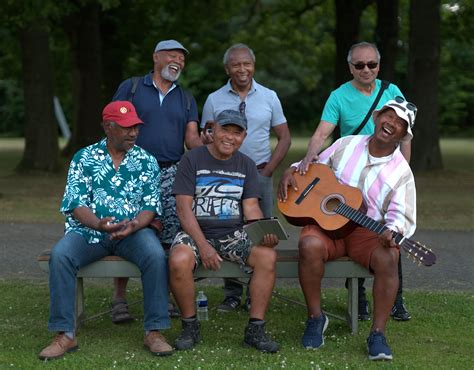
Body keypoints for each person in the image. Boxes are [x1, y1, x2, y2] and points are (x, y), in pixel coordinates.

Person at [278, 98, 417, 361]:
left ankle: (377, 333)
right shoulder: (346, 144)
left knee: (390, 257)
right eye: (389, 116)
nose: (391, 124)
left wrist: (393, 230)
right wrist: (293, 169)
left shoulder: (401, 171)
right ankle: (316, 318)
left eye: (399, 123)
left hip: (366, 231)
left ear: (402, 135)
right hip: (326, 226)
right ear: (377, 118)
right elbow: (315, 167)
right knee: (308, 244)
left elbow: (401, 214)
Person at [38, 101, 172, 361]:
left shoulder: (146, 160)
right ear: (108, 127)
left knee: (155, 256)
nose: (133, 132)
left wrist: (136, 224)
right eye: (125, 127)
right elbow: (75, 203)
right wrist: (98, 224)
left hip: (133, 231)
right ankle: (65, 334)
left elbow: (150, 206)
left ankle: (154, 331)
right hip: (90, 232)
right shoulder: (84, 158)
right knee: (61, 256)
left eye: (135, 127)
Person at [298, 41, 411, 321]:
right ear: (350, 67)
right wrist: (306, 162)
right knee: (349, 228)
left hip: (383, 173)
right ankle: (358, 297)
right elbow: (322, 133)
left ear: (379, 65)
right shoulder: (338, 96)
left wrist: (404, 170)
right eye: (359, 65)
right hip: (349, 173)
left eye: (371, 64)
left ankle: (397, 299)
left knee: (390, 233)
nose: (366, 70)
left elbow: (407, 131)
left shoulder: (391, 91)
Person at [169, 109, 280, 353]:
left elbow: (251, 208)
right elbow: (183, 208)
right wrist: (204, 246)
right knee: (179, 259)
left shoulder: (247, 165)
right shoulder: (192, 159)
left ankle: (255, 329)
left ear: (244, 137)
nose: (230, 137)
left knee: (267, 256)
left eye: (237, 133)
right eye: (225, 130)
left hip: (233, 234)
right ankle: (190, 325)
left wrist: (263, 232)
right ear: (212, 130)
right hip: (196, 231)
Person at [112, 39, 202, 321]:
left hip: (171, 173)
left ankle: (162, 298)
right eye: (172, 55)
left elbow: (191, 140)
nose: (178, 61)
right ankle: (119, 300)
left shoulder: (186, 98)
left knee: (168, 236)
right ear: (155, 57)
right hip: (132, 170)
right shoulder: (133, 87)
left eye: (182, 58)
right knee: (128, 228)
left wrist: (208, 144)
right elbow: (113, 123)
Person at [201, 43, 291, 312]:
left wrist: (269, 169)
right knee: (229, 229)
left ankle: (256, 290)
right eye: (236, 65)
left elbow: (284, 136)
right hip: (224, 175)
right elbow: (207, 136)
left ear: (253, 65)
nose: (242, 69)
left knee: (260, 232)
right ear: (228, 69)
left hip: (259, 172)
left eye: (246, 64)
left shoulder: (269, 96)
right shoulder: (214, 99)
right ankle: (232, 293)